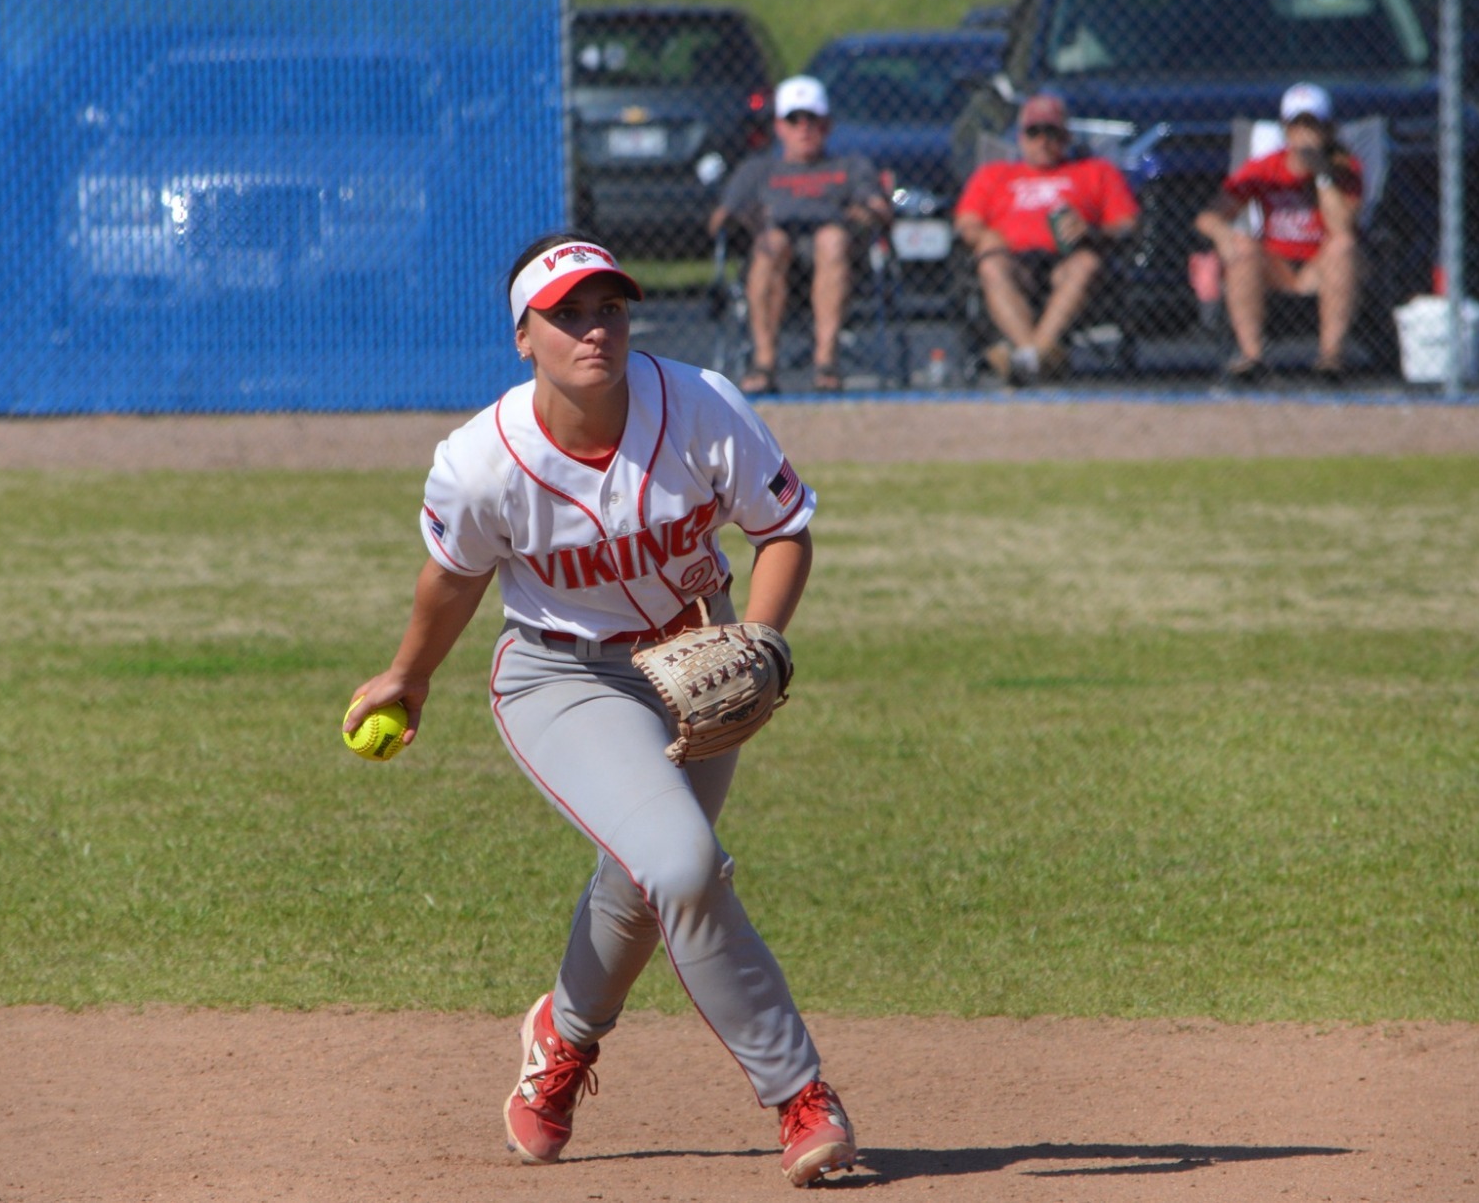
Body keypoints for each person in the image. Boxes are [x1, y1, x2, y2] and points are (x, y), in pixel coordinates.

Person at [342, 233, 858, 1188]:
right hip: (560, 679)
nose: (594, 330)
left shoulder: (699, 404)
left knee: (646, 879)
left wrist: (760, 639)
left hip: (698, 667)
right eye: (568, 315)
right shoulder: (480, 461)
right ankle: (800, 1094)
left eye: (609, 309)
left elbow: (783, 530)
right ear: (523, 338)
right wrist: (410, 675)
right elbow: (452, 579)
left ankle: (563, 1036)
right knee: (682, 861)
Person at [707, 75, 891, 395]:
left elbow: (879, 210)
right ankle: (764, 363)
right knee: (774, 242)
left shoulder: (850, 166)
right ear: (779, 126)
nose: (803, 128)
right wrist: (746, 220)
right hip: (773, 261)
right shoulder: (757, 170)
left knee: (831, 238)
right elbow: (719, 221)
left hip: (839, 264)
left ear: (827, 125)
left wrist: (863, 213)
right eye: (794, 120)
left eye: (812, 119)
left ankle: (826, 362)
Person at [952, 92, 1139, 387]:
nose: (1043, 141)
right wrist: (986, 237)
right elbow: (967, 224)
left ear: (1066, 137)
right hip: (1014, 263)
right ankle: (1040, 356)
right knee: (990, 264)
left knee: (1087, 263)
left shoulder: (1096, 171)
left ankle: (1027, 356)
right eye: (1034, 132)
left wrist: (1092, 232)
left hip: (1068, 261)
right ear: (1020, 138)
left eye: (1051, 132)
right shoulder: (993, 175)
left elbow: (1127, 223)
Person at [1194, 82, 1363, 385]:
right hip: (1277, 265)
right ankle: (1252, 356)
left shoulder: (1344, 169)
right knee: (1242, 247)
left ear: (1327, 130)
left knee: (1342, 246)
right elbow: (1208, 217)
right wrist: (1223, 235)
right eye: (1296, 125)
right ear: (1285, 129)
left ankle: (1330, 356)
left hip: (1320, 265)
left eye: (1312, 125)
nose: (1304, 134)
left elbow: (1342, 227)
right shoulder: (1265, 168)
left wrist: (1322, 175)